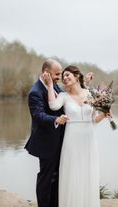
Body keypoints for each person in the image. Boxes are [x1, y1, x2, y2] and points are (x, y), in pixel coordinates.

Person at [43, 65, 108, 207]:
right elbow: (53, 106)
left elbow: (94, 119)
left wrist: (104, 115)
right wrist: (49, 85)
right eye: (63, 77)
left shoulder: (91, 93)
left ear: (77, 76)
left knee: (87, 173)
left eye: (67, 75)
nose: (64, 78)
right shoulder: (63, 96)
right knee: (72, 174)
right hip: (71, 140)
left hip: (89, 140)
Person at [25, 59, 67, 207]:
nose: (59, 77)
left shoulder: (56, 87)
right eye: (57, 74)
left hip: (60, 140)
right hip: (46, 142)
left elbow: (66, 101)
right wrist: (57, 120)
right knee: (46, 177)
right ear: (46, 73)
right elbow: (38, 116)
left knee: (57, 176)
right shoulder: (35, 92)